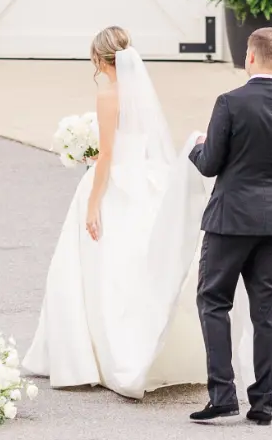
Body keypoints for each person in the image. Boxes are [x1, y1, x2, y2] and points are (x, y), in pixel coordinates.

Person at [23, 25, 208, 398]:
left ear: (97, 57)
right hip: (144, 181)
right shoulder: (139, 93)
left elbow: (108, 155)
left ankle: (96, 354)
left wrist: (93, 203)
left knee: (98, 268)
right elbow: (132, 144)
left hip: (116, 184)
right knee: (138, 264)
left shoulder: (108, 94)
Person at [187, 25, 272, 427]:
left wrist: (195, 146)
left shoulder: (230, 103)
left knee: (213, 301)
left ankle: (223, 394)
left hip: (230, 221)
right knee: (267, 312)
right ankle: (263, 403)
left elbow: (210, 164)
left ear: (252, 57)